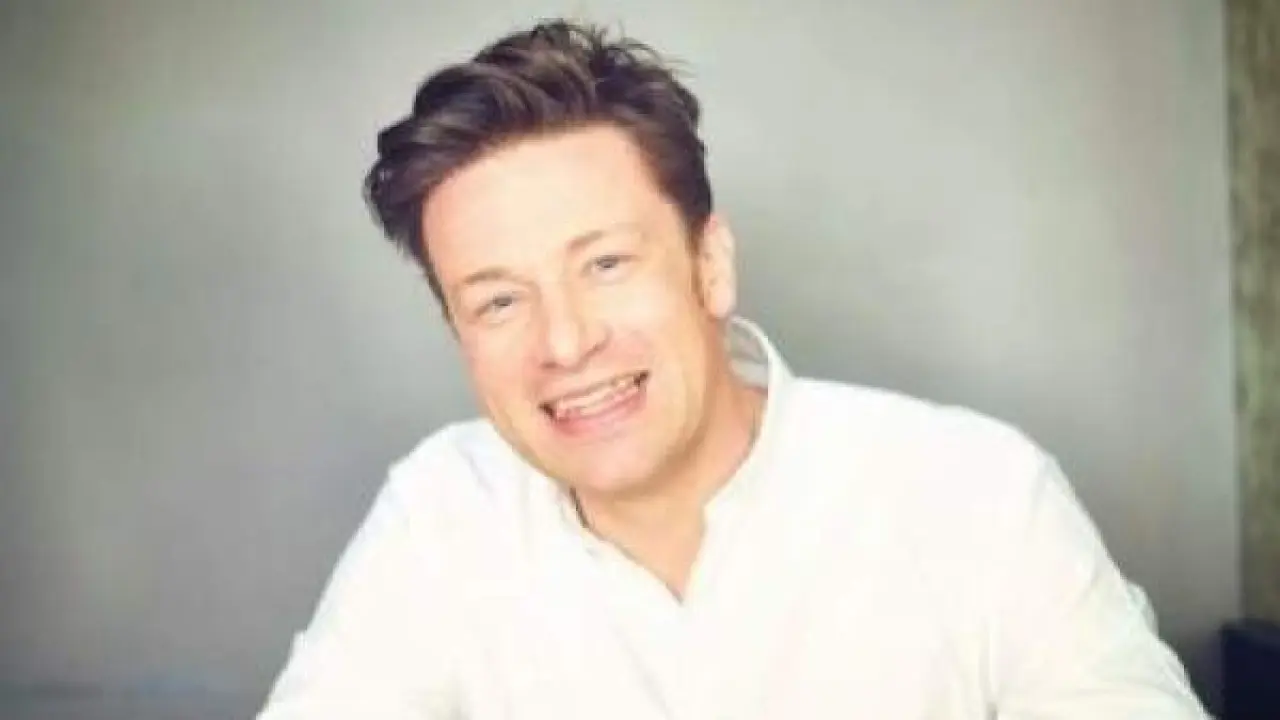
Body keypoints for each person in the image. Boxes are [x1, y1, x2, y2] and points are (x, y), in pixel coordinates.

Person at [258, 19, 1209, 719]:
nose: (565, 342)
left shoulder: (979, 494)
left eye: (606, 264)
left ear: (710, 265)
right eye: (499, 301)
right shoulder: (438, 512)